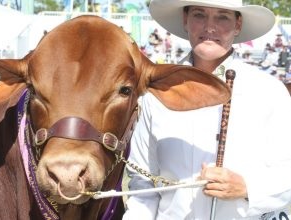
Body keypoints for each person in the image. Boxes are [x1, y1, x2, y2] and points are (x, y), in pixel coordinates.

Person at [123, 0, 291, 219]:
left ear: (237, 25)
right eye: (199, 15)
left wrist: (247, 188)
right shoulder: (157, 93)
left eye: (222, 17)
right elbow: (142, 185)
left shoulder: (269, 91)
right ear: (186, 20)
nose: (209, 27)